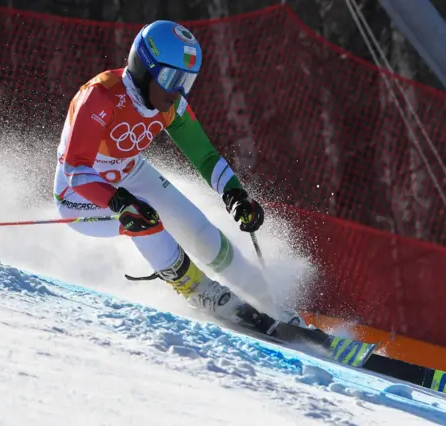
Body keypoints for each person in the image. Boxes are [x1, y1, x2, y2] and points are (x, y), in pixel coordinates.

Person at [53, 20, 306, 330]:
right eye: (171, 77)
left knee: (202, 232)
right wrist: (119, 201)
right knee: (144, 219)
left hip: (131, 173)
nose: (177, 91)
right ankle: (200, 291)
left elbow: (206, 156)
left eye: (186, 81)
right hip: (80, 193)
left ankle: (268, 300)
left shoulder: (171, 106)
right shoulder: (101, 96)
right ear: (144, 67)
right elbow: (76, 169)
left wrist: (235, 195)